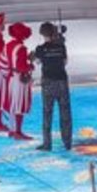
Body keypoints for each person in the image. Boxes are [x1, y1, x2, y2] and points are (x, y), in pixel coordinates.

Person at [33, 21, 71, 151]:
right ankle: (67, 142)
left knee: (47, 112)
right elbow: (65, 62)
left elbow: (37, 61)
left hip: (48, 82)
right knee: (65, 112)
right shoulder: (61, 47)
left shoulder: (41, 49)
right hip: (62, 81)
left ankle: (47, 143)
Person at [4, 22, 34, 140]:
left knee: (12, 104)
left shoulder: (9, 45)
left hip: (11, 78)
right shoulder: (21, 48)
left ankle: (12, 130)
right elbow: (22, 66)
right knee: (19, 104)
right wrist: (30, 66)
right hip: (19, 78)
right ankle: (18, 131)